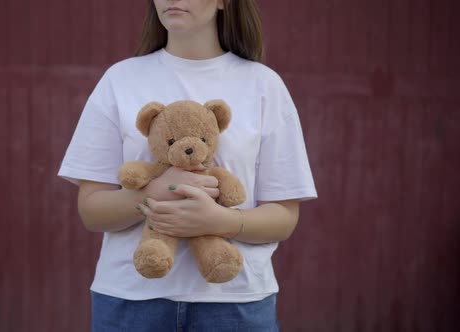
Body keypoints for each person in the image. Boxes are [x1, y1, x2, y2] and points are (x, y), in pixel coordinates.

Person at [58, 0, 317, 330]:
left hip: (234, 304)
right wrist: (156, 190)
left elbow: (283, 216)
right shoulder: (120, 80)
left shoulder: (264, 85)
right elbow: (91, 211)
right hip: (131, 301)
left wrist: (219, 220)